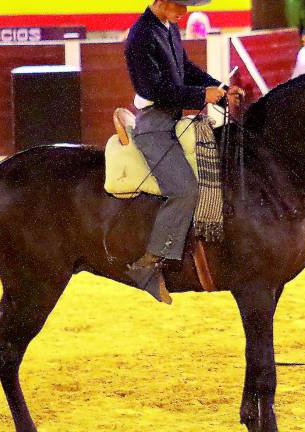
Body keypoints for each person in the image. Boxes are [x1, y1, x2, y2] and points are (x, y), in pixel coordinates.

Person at [124, 0, 243, 300]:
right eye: (181, 4)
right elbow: (154, 90)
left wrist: (219, 89)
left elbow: (185, 69)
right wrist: (202, 95)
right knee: (184, 191)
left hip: (174, 119)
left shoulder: (168, 27)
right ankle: (148, 264)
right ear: (162, 1)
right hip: (154, 127)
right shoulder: (140, 36)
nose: (185, 12)